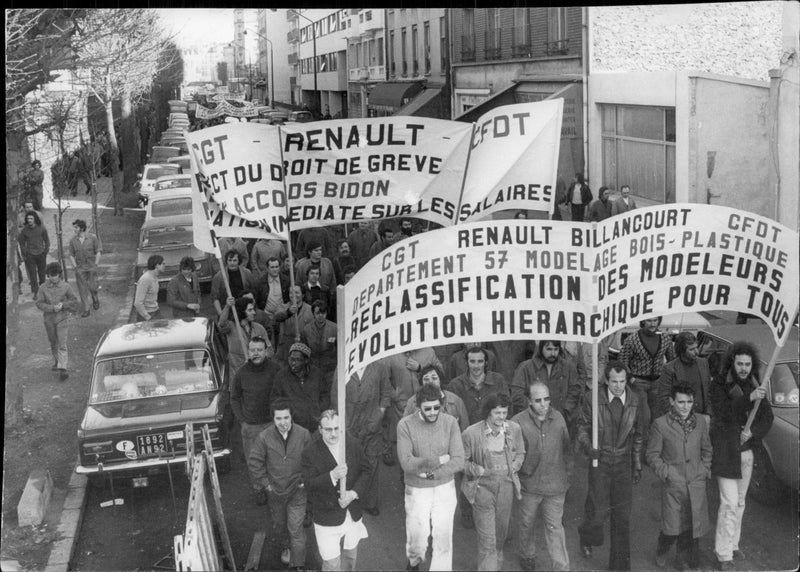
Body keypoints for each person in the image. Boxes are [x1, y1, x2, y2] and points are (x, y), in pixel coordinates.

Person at [709, 342, 773, 571]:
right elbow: (723, 412)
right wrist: (749, 399)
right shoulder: (719, 384)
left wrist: (752, 434)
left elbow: (768, 418)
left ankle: (733, 544)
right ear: (732, 362)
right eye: (740, 364)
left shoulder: (757, 385)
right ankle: (723, 553)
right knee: (728, 502)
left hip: (746, 452)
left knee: (740, 502)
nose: (744, 368)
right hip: (725, 451)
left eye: (747, 364)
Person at [576, 361, 644, 571]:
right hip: (600, 463)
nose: (618, 386)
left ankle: (619, 566)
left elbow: (639, 435)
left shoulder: (635, 400)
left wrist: (637, 463)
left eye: (622, 381)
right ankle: (586, 535)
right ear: (606, 380)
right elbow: (582, 427)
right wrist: (589, 447)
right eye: (614, 381)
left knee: (622, 518)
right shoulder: (592, 399)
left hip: (623, 464)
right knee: (598, 514)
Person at [397, 384, 465, 572]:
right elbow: (407, 463)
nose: (433, 412)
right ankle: (414, 563)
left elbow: (459, 460)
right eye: (428, 408)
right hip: (417, 489)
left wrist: (432, 473)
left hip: (445, 487)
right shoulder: (405, 425)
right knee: (418, 537)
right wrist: (440, 459)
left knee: (443, 538)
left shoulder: (450, 422)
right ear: (418, 406)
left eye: (437, 407)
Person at [647, 384, 712, 570]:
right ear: (671, 401)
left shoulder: (700, 422)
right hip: (674, 484)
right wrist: (666, 473)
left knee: (691, 525)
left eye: (689, 402)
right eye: (681, 402)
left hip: (696, 482)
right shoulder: (660, 424)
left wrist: (705, 468)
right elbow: (652, 455)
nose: (685, 406)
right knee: (672, 527)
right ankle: (662, 547)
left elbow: (707, 448)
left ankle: (682, 560)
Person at [461, 393, 525, 571]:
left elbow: (520, 452)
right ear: (488, 412)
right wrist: (476, 469)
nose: (502, 417)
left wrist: (515, 465)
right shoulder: (471, 433)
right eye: (497, 413)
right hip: (482, 490)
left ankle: (494, 560)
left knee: (499, 536)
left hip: (506, 487)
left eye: (504, 412)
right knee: (487, 540)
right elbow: (460, 461)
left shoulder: (514, 429)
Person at [513, 382, 572, 572]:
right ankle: (527, 555)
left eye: (546, 399)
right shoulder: (517, 422)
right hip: (529, 486)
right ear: (529, 401)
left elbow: (567, 450)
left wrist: (566, 476)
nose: (543, 404)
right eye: (538, 400)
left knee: (555, 527)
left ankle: (561, 567)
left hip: (556, 486)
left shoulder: (559, 419)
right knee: (526, 524)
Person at [302, 410, 371, 571]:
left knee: (350, 558)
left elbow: (366, 470)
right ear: (320, 430)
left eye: (336, 428)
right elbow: (309, 484)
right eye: (328, 429)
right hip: (327, 518)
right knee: (332, 564)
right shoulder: (310, 452)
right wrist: (332, 476)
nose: (333, 434)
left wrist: (353, 494)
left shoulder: (352, 444)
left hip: (352, 514)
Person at [248, 399, 312, 571]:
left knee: (296, 528)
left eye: (286, 417)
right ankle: (286, 546)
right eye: (278, 419)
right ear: (273, 419)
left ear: (291, 417)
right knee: (280, 525)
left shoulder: (304, 434)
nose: (283, 422)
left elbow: (311, 461)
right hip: (275, 493)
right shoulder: (264, 437)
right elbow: (254, 462)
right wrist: (266, 485)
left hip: (298, 491)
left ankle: (298, 564)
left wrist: (304, 481)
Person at [331, 361, 391, 516]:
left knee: (371, 462)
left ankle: (370, 502)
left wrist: (377, 417)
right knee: (350, 463)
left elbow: (385, 396)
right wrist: (342, 423)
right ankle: (350, 497)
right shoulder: (343, 365)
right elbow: (335, 398)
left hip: (372, 427)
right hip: (349, 427)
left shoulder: (379, 366)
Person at [231, 336, 280, 504]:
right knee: (254, 460)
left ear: (266, 351)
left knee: (275, 458)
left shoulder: (276, 370)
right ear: (248, 351)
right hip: (250, 426)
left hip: (272, 423)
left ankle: (276, 487)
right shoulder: (241, 373)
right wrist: (242, 420)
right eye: (253, 350)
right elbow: (234, 398)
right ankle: (258, 489)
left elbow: (284, 392)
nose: (256, 353)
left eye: (259, 350)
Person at [619, 317, 676, 457]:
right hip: (639, 383)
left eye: (655, 320)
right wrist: (630, 377)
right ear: (643, 321)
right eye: (649, 321)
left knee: (658, 419)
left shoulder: (665, 338)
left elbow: (672, 361)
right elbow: (622, 361)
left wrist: (668, 379)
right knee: (644, 418)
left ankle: (654, 451)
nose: (652, 324)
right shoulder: (632, 339)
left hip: (658, 383)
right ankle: (640, 453)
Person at [382, 348, 442, 466]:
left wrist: (420, 368)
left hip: (425, 402)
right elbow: (384, 380)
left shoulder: (428, 352)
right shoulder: (391, 353)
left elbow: (440, 372)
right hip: (399, 405)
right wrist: (395, 395)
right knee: (402, 436)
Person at [510, 340, 583, 424]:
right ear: (541, 348)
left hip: (561, 420)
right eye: (549, 349)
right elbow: (517, 394)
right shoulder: (525, 367)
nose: (552, 353)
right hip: (531, 421)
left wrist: (563, 413)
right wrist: (533, 412)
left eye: (556, 349)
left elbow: (575, 392)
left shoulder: (568, 368)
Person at [271, 342, 331, 432]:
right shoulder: (281, 376)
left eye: (298, 360)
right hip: (292, 427)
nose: (293, 363)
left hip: (314, 426)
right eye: (291, 359)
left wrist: (317, 411)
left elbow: (325, 396)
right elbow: (275, 400)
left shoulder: (317, 374)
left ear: (306, 360)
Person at [35, 262, 80, 381]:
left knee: (62, 343)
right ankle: (57, 360)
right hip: (49, 320)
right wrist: (51, 308)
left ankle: (63, 369)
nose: (53, 277)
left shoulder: (66, 287)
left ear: (59, 275)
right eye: (51, 275)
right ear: (47, 275)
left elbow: (74, 301)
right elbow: (38, 303)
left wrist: (63, 305)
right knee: (53, 342)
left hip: (62, 319)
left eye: (55, 275)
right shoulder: (43, 288)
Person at [654, 332, 712, 419]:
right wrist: (677, 417)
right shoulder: (669, 369)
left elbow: (709, 390)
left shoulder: (703, 363)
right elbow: (663, 398)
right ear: (682, 351)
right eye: (691, 349)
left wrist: (709, 413)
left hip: (702, 416)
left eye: (696, 347)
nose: (696, 352)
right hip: (680, 417)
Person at [447, 346, 509, 426]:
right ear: (466, 363)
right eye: (472, 361)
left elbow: (508, 408)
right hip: (465, 434)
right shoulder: (455, 385)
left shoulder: (498, 380)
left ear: (486, 363)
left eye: (480, 361)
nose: (476, 366)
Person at [218, 295, 272, 374]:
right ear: (241, 311)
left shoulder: (259, 328)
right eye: (250, 310)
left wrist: (259, 356)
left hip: (257, 373)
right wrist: (227, 306)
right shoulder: (231, 327)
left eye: (253, 309)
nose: (254, 312)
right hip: (237, 374)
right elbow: (221, 324)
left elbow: (270, 350)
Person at [68, 219, 102, 317]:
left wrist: (96, 264)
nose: (74, 229)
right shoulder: (73, 241)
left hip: (91, 267)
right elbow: (71, 254)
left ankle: (95, 297)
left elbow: (98, 251)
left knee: (93, 286)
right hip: (80, 268)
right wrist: (75, 267)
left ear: (82, 228)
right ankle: (86, 309)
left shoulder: (92, 238)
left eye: (76, 227)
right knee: (82, 289)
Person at [255, 256, 291, 346]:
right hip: (267, 317)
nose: (275, 269)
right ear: (267, 268)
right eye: (272, 267)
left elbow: (289, 298)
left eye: (276, 267)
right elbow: (257, 300)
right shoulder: (260, 282)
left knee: (282, 342)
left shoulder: (286, 280)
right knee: (269, 341)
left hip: (283, 317)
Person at [274, 285, 315, 363]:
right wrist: (288, 312)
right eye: (291, 293)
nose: (293, 295)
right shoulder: (283, 307)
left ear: (302, 295)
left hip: (303, 346)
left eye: (297, 293)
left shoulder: (310, 309)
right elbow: (277, 317)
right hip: (286, 348)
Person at [210, 250, 257, 316]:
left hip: (245, 310)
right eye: (230, 260)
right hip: (227, 310)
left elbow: (253, 291)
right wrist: (221, 314)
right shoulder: (219, 276)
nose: (232, 263)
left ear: (239, 261)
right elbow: (215, 298)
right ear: (226, 261)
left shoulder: (247, 273)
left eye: (234, 260)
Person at [301, 299, 337, 375]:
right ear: (313, 313)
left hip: (330, 370)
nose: (320, 315)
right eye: (317, 313)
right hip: (313, 369)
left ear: (327, 313)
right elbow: (304, 352)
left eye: (323, 312)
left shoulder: (335, 328)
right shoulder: (306, 330)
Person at [18, 211, 50, 297]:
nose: (29, 220)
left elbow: (47, 240)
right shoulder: (25, 230)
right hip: (30, 255)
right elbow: (21, 243)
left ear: (35, 219)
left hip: (41, 254)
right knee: (32, 275)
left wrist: (45, 251)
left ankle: (43, 292)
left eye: (31, 218)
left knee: (42, 273)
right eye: (28, 219)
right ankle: (36, 292)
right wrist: (25, 253)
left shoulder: (42, 228)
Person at [133, 255, 165, 322]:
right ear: (157, 265)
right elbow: (138, 303)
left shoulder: (155, 277)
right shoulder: (145, 279)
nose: (164, 265)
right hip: (147, 314)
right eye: (163, 264)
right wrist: (147, 317)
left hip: (156, 311)